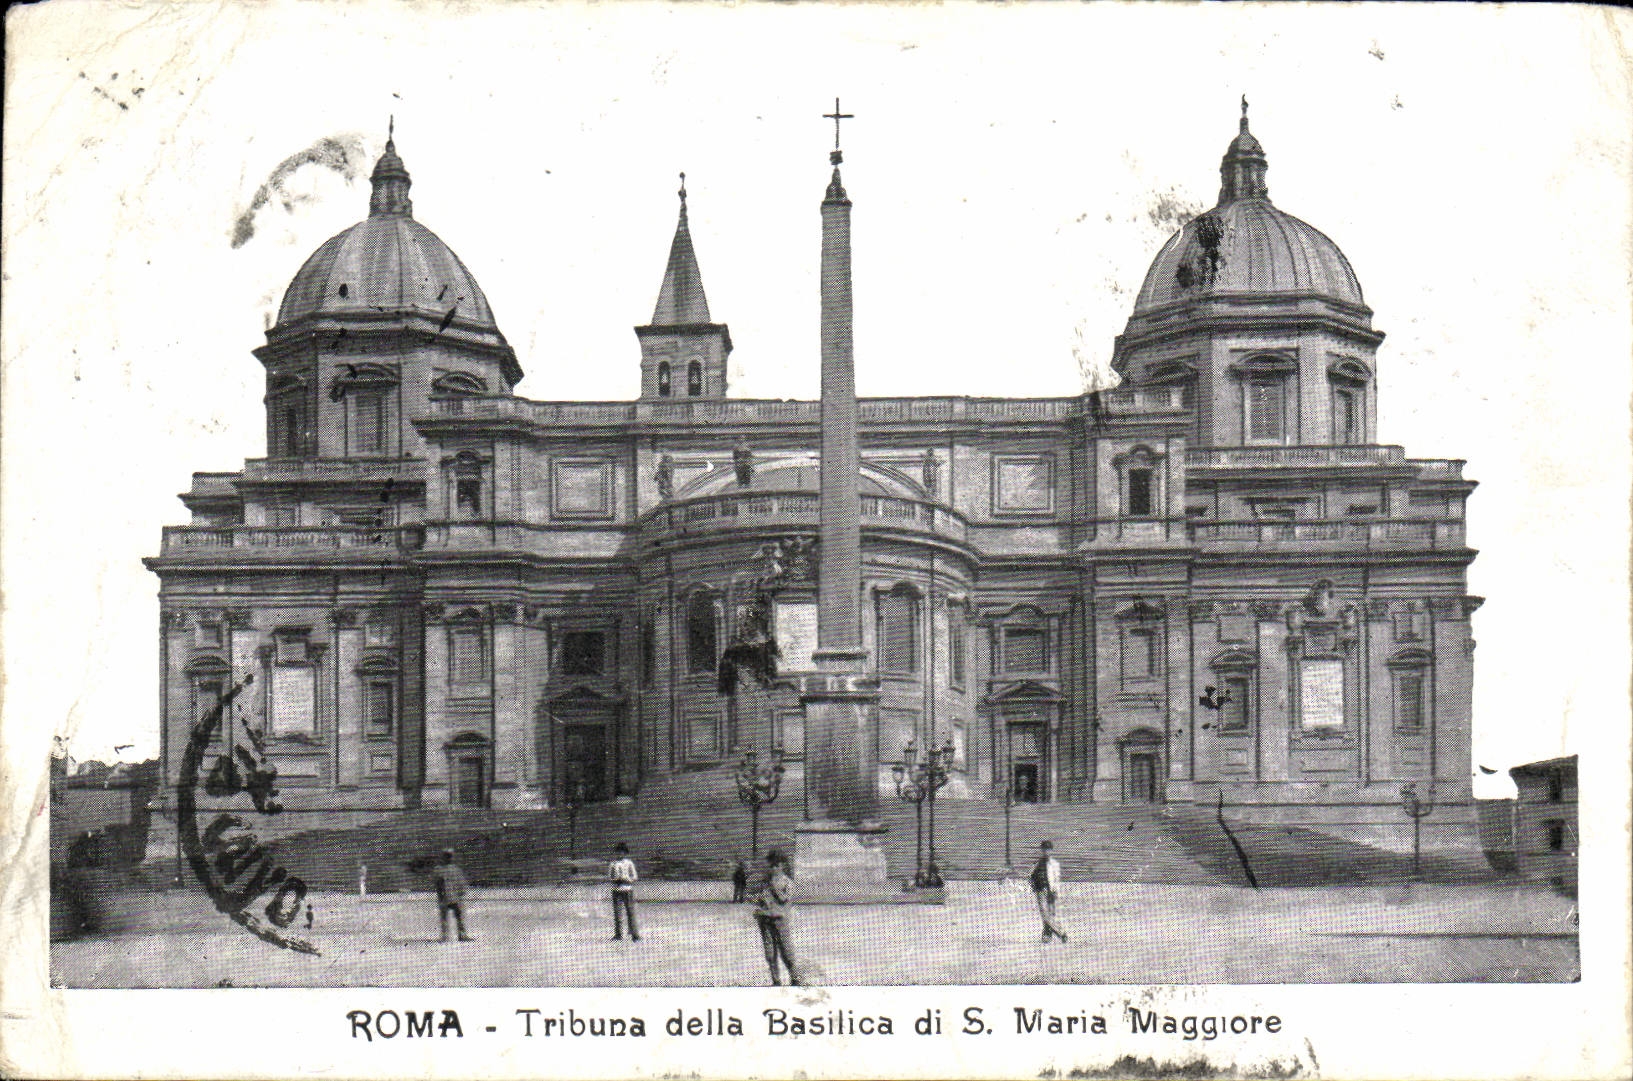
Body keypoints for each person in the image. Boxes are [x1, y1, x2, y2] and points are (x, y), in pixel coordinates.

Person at [753, 848, 800, 986]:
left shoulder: (787, 882)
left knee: (786, 950)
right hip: (765, 918)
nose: (773, 868)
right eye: (771, 865)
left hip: (780, 919)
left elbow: (785, 900)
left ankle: (795, 978)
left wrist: (775, 888)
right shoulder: (765, 881)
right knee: (769, 952)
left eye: (776, 865)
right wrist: (758, 901)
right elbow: (759, 897)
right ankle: (776, 980)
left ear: (782, 865)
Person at [1029, 840, 1067, 944]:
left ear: (1051, 850)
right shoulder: (1037, 863)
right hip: (1041, 891)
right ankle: (1060, 932)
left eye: (1048, 850)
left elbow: (1056, 879)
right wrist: (1034, 887)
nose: (1046, 852)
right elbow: (1030, 876)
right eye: (1044, 849)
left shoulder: (1054, 864)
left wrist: (1056, 891)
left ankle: (1047, 934)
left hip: (1051, 891)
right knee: (1044, 913)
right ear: (1041, 850)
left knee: (1051, 914)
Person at [431, 848, 473, 942]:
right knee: (446, 918)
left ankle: (461, 935)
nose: (449, 858)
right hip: (445, 897)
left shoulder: (455, 869)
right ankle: (445, 936)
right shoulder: (439, 870)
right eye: (447, 856)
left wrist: (462, 892)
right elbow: (437, 883)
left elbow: (461, 883)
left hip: (455, 897)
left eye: (450, 856)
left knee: (459, 917)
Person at [609, 841, 640, 941]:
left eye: (622, 852)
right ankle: (618, 934)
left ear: (625, 853)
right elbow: (610, 877)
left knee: (630, 912)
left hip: (627, 889)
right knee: (617, 913)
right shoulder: (613, 864)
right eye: (618, 852)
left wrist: (627, 879)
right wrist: (615, 879)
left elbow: (635, 876)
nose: (620, 854)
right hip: (617, 890)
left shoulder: (629, 863)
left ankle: (634, 934)